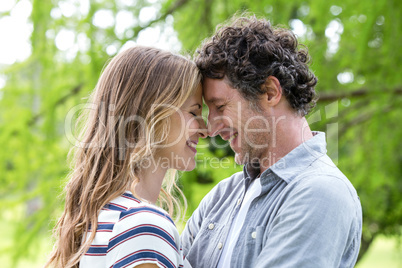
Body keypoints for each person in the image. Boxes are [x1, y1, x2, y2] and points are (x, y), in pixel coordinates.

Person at [181, 16, 362, 267]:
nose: (210, 128)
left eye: (220, 106)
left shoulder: (320, 192)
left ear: (270, 92)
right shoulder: (222, 195)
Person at [45, 46, 207, 268]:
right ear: (151, 114)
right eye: (194, 112)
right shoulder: (144, 226)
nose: (205, 129)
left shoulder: (104, 218)